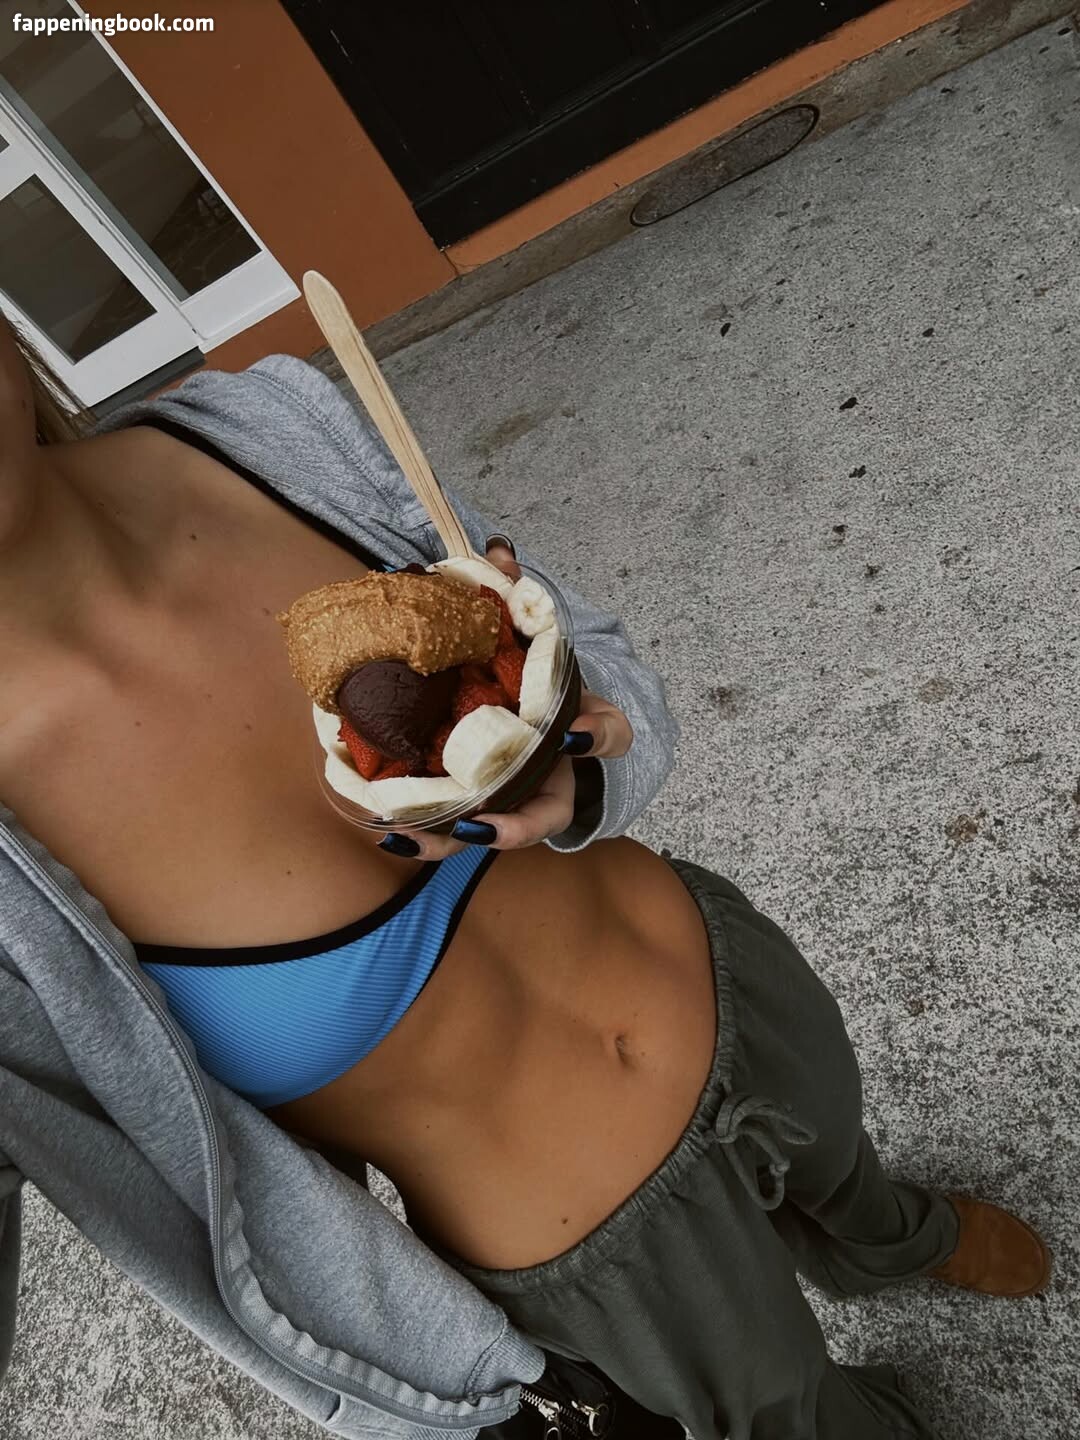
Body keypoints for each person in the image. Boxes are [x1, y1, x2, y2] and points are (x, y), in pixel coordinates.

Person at [0, 315, 1049, 1440]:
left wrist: (585, 762)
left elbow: (593, 660)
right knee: (798, 1419)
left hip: (728, 975)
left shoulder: (263, 430)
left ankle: (887, 1237)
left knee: (842, 1157)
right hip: (599, 1254)